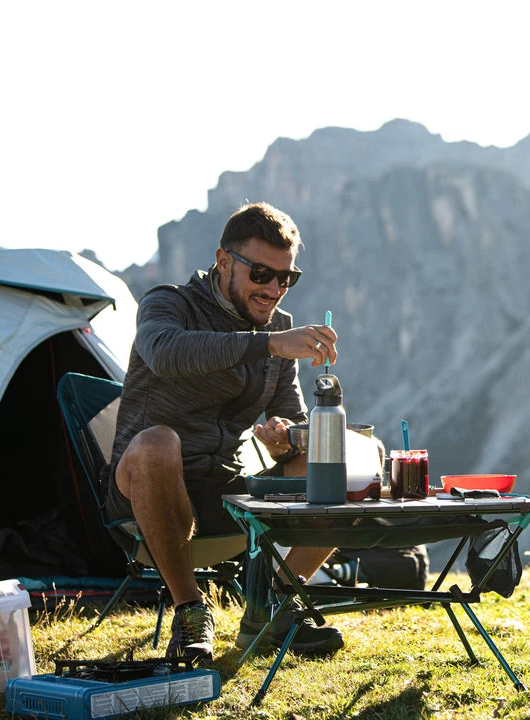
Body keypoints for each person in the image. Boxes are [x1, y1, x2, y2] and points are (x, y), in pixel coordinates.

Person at [107, 201, 343, 660]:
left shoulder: (277, 331)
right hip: (144, 495)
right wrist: (269, 344)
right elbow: (166, 353)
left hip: (227, 492)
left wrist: (287, 438)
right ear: (223, 262)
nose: (273, 289)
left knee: (338, 454)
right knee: (158, 443)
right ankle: (190, 611)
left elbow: (293, 419)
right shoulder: (169, 304)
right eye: (261, 274)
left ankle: (273, 606)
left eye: (286, 278)